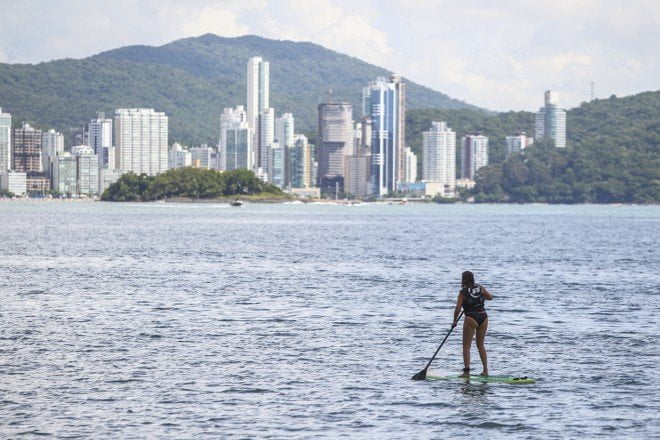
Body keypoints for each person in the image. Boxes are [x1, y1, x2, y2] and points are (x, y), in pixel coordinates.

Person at [452, 271, 493, 377]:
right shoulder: (480, 287)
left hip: (471, 318)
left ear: (463, 280)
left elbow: (457, 308)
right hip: (483, 317)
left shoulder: (463, 292)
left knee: (466, 346)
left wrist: (454, 321)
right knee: (480, 345)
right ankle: (485, 371)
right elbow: (490, 297)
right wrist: (479, 297)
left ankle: (466, 372)